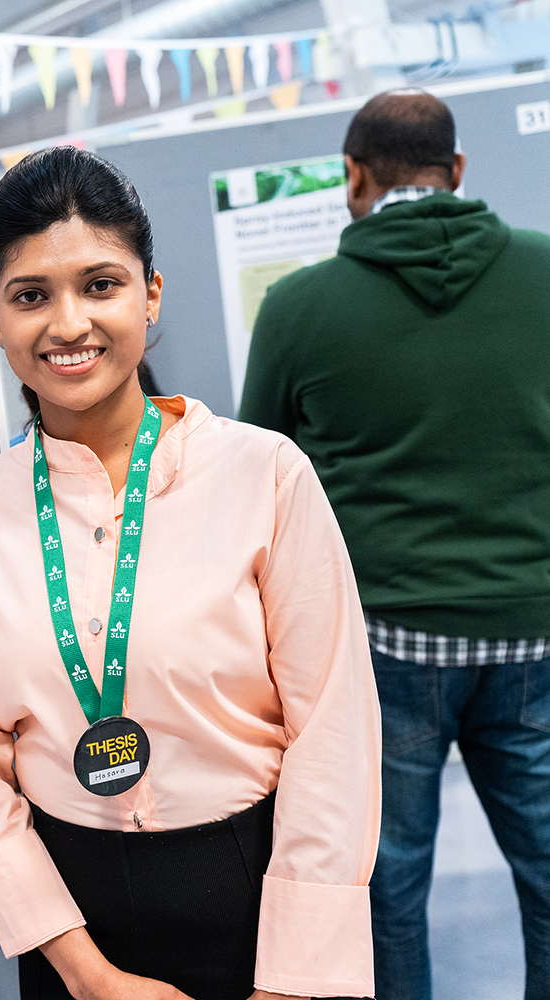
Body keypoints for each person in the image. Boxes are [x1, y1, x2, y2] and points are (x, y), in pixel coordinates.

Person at [0, 146, 381, 1000]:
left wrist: (289, 981)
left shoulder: (265, 475)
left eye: (100, 284)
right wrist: (85, 975)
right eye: (31, 296)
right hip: (71, 927)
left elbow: (335, 732)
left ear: (149, 293)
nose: (67, 324)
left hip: (258, 896)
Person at [240, 90, 550, 1000]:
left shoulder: (297, 308)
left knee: (390, 885)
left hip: (385, 645)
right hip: (532, 631)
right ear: (456, 172)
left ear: (352, 180)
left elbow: (261, 481)